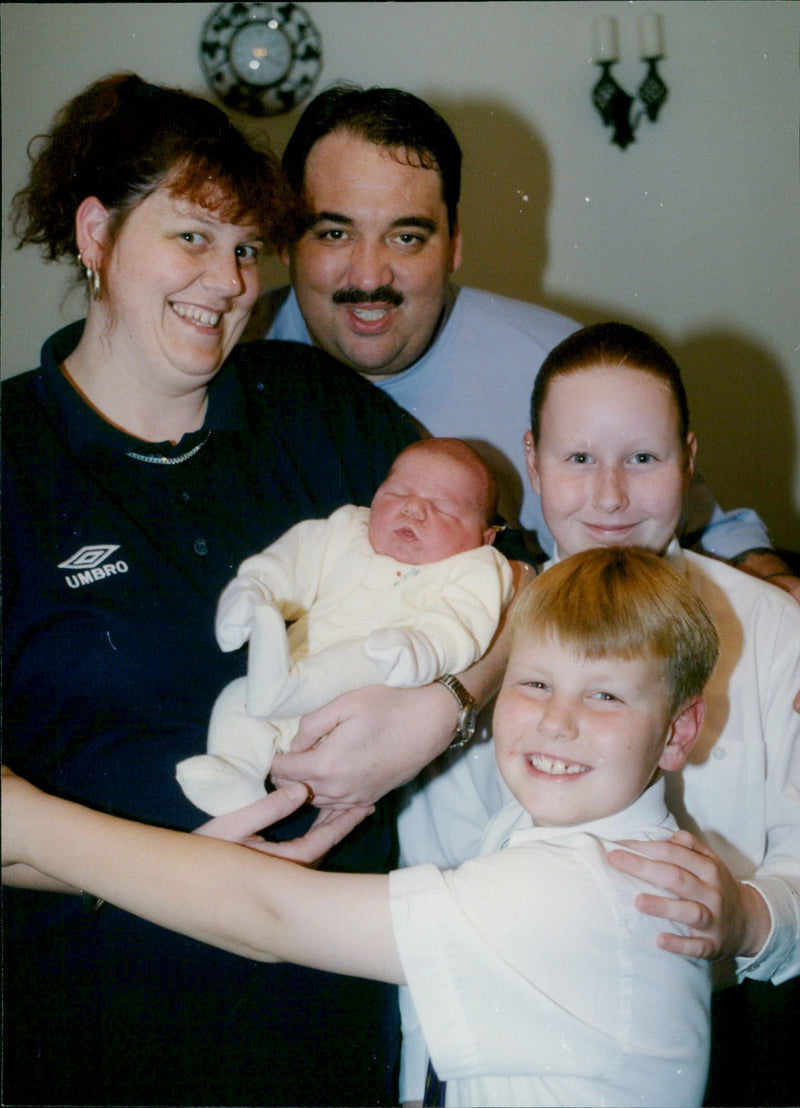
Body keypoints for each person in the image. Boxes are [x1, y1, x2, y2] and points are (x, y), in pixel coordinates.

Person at [0, 70, 464, 1108]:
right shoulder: (9, 462)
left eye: (248, 248)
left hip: (334, 1030)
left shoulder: (315, 410)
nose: (229, 280)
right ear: (95, 234)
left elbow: (505, 581)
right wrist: (190, 872)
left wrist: (444, 705)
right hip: (90, 1032)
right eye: (192, 238)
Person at [3, 545, 723, 1108]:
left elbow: (268, 918)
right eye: (535, 683)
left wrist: (27, 821)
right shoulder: (557, 834)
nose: (557, 721)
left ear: (677, 732)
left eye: (606, 696)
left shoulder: (580, 888)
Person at [398, 322, 800, 1104]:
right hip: (514, 1039)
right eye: (578, 459)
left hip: (742, 1033)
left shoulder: (773, 628)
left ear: (688, 459)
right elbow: (431, 866)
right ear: (533, 462)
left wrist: (746, 920)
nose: (610, 496)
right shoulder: (464, 633)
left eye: (643, 459)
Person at [249, 83, 799, 601]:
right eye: (335, 233)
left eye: (407, 237)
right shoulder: (230, 358)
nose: (369, 275)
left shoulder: (556, 370)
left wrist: (766, 576)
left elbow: (702, 527)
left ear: (453, 245)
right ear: (287, 244)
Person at [177, 438, 512, 816]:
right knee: (237, 698)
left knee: (359, 656)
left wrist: (423, 649)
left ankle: (277, 694)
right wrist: (254, 592)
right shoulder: (347, 529)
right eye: (396, 493)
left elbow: (461, 624)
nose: (413, 508)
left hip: (370, 697)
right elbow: (293, 561)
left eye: (442, 508)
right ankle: (236, 774)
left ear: (484, 537)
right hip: (289, 682)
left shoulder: (476, 568)